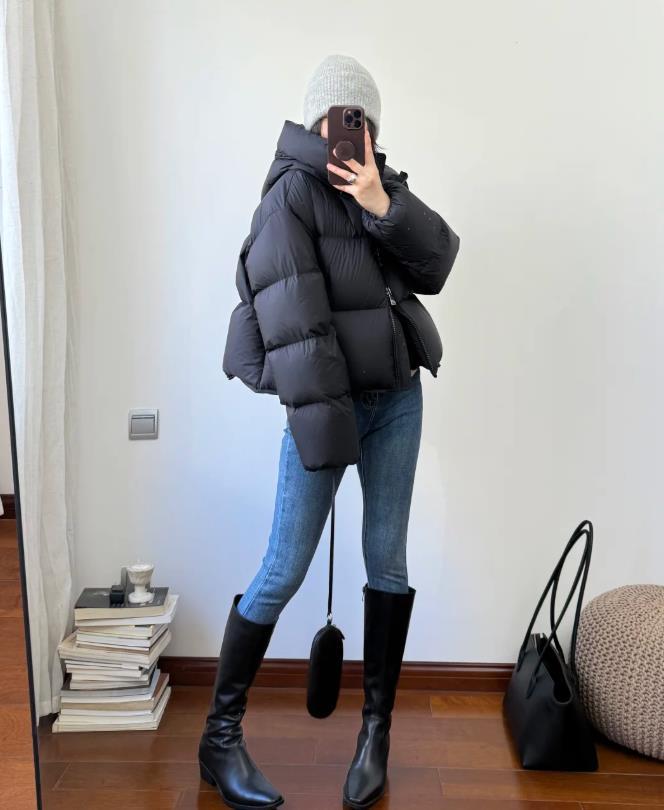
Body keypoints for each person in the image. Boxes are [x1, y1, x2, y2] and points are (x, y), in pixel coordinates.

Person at [199, 54, 460, 810]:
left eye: (363, 120)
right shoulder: (290, 195)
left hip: (398, 401)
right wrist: (334, 431)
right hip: (326, 407)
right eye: (341, 117)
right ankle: (219, 739)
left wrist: (381, 201)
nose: (351, 131)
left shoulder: (381, 188)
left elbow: (438, 263)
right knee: (284, 567)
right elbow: (297, 329)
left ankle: (376, 735)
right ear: (315, 120)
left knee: (387, 562)